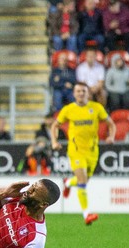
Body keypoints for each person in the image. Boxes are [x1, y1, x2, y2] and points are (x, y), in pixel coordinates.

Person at [51, 82, 115, 225]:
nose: (81, 93)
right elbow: (55, 125)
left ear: (88, 93)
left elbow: (111, 124)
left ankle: (67, 183)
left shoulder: (96, 108)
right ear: (74, 94)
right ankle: (87, 214)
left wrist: (111, 136)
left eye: (83, 91)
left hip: (92, 151)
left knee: (84, 181)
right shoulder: (68, 109)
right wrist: (54, 142)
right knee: (82, 181)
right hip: (76, 151)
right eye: (78, 91)